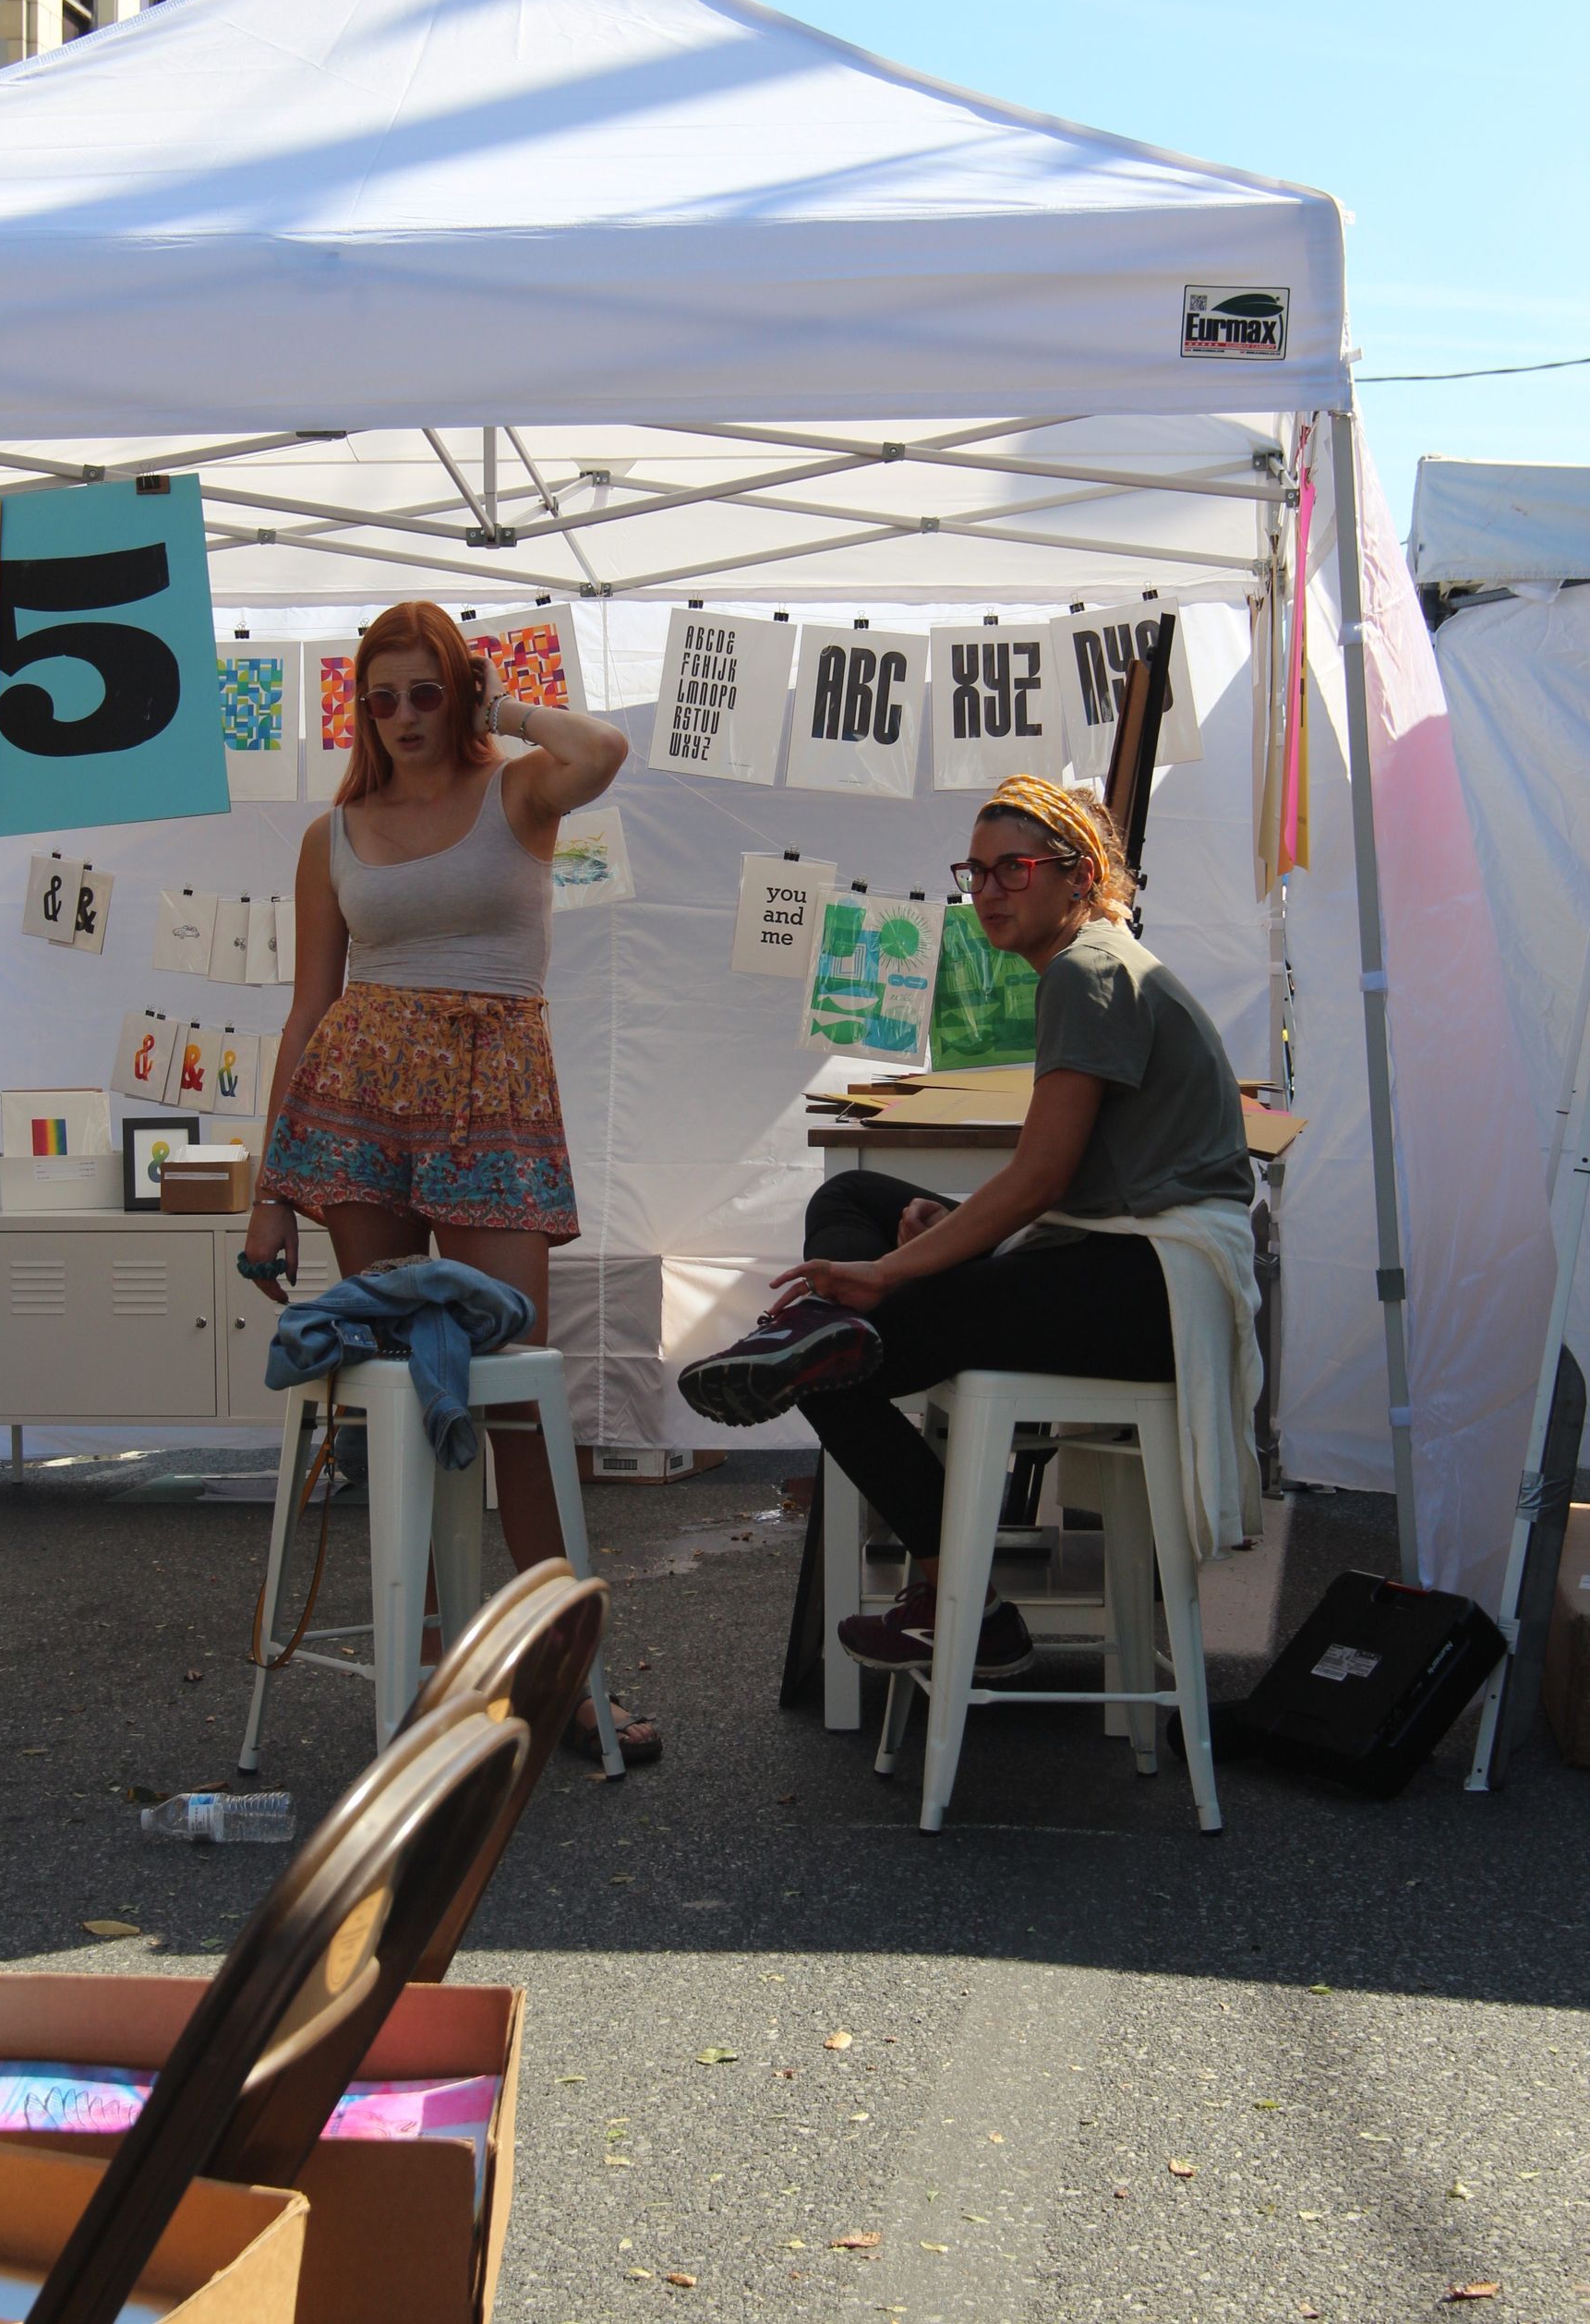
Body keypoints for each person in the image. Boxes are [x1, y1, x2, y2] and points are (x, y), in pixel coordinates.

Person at [679, 776, 1254, 1682]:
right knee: (859, 1209)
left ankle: (965, 1602)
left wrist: (899, 1271)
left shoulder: (1089, 970)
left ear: (1078, 875)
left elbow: (1039, 1179)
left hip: (1152, 1288)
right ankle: (836, 1328)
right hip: (1122, 1260)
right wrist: (931, 1239)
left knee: (834, 1370)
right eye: (975, 872)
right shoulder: (1092, 962)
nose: (986, 893)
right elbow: (1067, 1181)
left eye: (1012, 871)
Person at [241, 601, 659, 1765]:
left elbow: (600, 753)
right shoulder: (334, 832)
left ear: (461, 693)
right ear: (359, 706)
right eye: (383, 697)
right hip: (358, 1096)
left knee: (518, 1389)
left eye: (428, 692)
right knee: (404, 1397)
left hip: (495, 1090)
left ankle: (561, 1677)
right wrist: (272, 1190)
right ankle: (435, 1672)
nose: (405, 717)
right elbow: (307, 1005)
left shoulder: (515, 793)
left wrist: (501, 709)